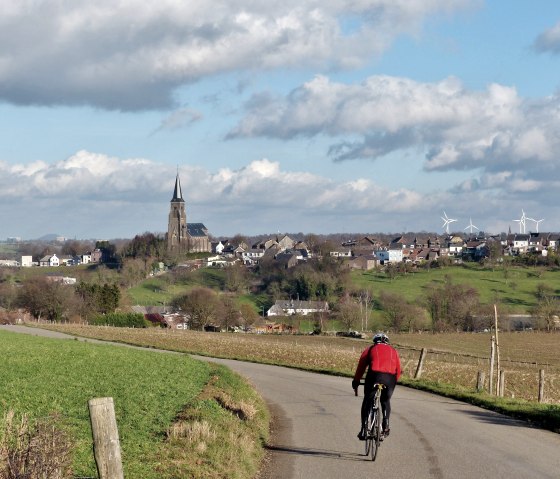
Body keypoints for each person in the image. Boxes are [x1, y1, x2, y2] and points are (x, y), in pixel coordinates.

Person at [352, 332, 401, 440]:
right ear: (387, 342)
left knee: (367, 400)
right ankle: (386, 425)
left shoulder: (370, 349)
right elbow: (398, 370)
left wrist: (356, 381)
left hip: (374, 376)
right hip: (390, 379)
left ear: (375, 341)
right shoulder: (394, 351)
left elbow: (361, 367)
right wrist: (392, 384)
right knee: (385, 401)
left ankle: (364, 430)